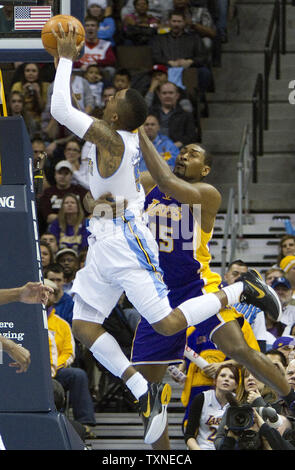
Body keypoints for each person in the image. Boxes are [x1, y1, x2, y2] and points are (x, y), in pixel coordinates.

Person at [49, 24, 286, 445]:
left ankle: (245, 303)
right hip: (125, 254)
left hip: (181, 277)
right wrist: (99, 206)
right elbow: (113, 195)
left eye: (195, 154)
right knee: (103, 339)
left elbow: (65, 114)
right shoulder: (132, 162)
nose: (187, 154)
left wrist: (67, 62)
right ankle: (151, 416)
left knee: (221, 343)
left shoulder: (194, 187)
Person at [45, 280, 96, 429]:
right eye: (44, 292)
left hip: (57, 370)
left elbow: (69, 353)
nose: (46, 296)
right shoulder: (27, 320)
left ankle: (85, 423)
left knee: (77, 375)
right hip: (32, 370)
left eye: (50, 293)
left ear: (55, 298)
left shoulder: (62, 324)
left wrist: (54, 367)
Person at [150, 10, 212, 109]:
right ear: (169, 22)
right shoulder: (160, 39)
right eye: (174, 21)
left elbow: (203, 57)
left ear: (184, 23)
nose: (176, 24)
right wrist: (169, 62)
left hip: (188, 69)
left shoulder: (194, 38)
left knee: (205, 72)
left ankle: (198, 98)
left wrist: (190, 61)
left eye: (179, 22)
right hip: (166, 68)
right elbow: (155, 56)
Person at [184, 364, 240, 450]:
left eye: (231, 377)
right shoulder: (201, 398)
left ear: (236, 385)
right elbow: (189, 435)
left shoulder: (239, 403)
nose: (226, 379)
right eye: (222, 375)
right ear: (215, 380)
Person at [38, 160, 88, 228]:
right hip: (56, 227)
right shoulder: (48, 193)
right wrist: (74, 219)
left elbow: (91, 213)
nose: (62, 176)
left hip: (79, 227)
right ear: (55, 175)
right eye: (60, 173)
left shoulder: (81, 191)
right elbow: (48, 218)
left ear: (71, 175)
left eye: (66, 173)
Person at [149, 81, 199, 146]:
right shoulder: (150, 113)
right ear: (159, 95)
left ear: (177, 95)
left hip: (177, 150)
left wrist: (179, 144)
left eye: (171, 93)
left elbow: (191, 136)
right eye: (164, 93)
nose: (167, 96)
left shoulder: (186, 115)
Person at [11, 63, 50, 128]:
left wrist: (37, 94)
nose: (30, 73)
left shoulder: (46, 86)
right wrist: (23, 94)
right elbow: (15, 106)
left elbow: (44, 109)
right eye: (27, 71)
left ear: (38, 73)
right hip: (23, 119)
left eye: (34, 71)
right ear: (24, 73)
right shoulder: (17, 86)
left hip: (41, 121)